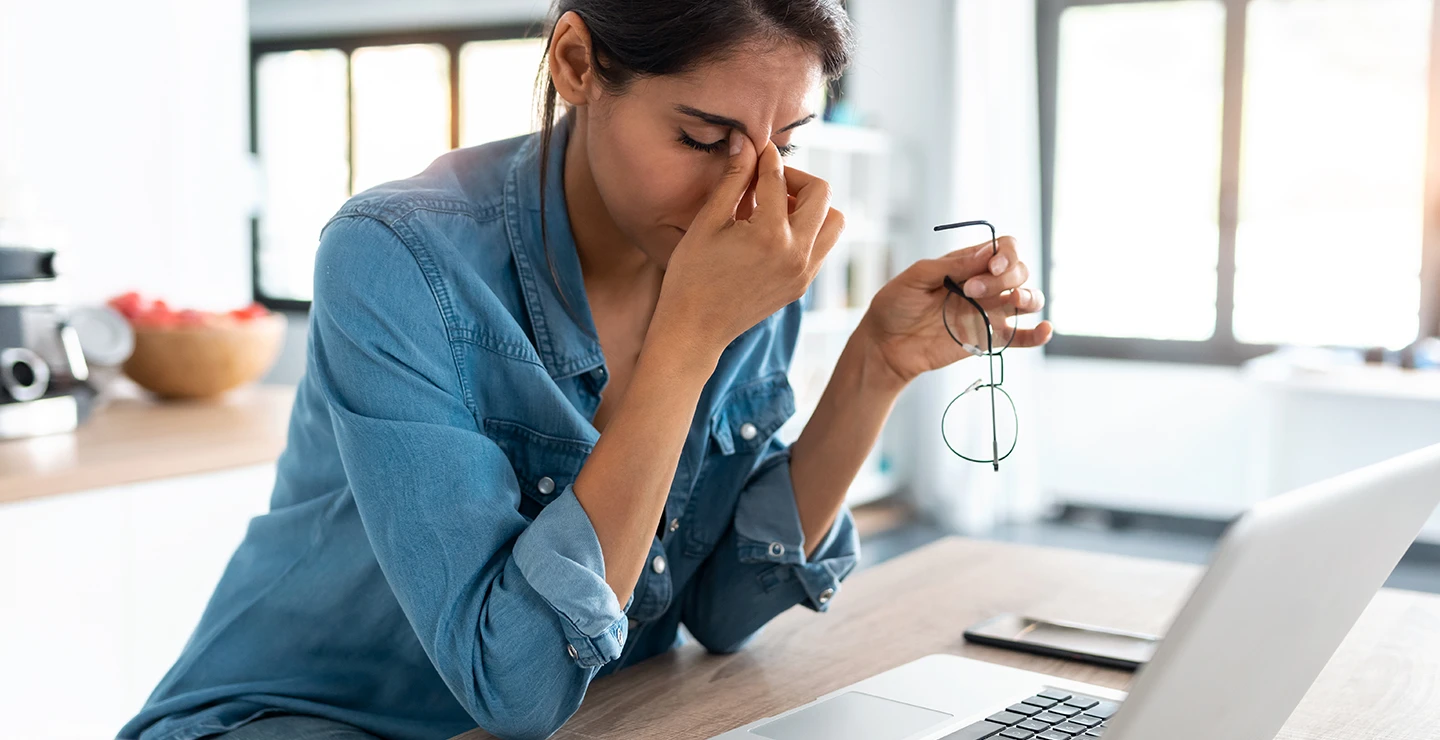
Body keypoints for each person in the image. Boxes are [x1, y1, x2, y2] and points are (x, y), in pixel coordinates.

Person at [119, 2, 1050, 739]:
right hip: (300, 721)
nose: (752, 193)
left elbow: (723, 609)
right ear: (575, 64)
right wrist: (687, 340)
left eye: (788, 144)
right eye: (700, 137)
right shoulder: (396, 256)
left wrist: (875, 367)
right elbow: (513, 685)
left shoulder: (746, 249)